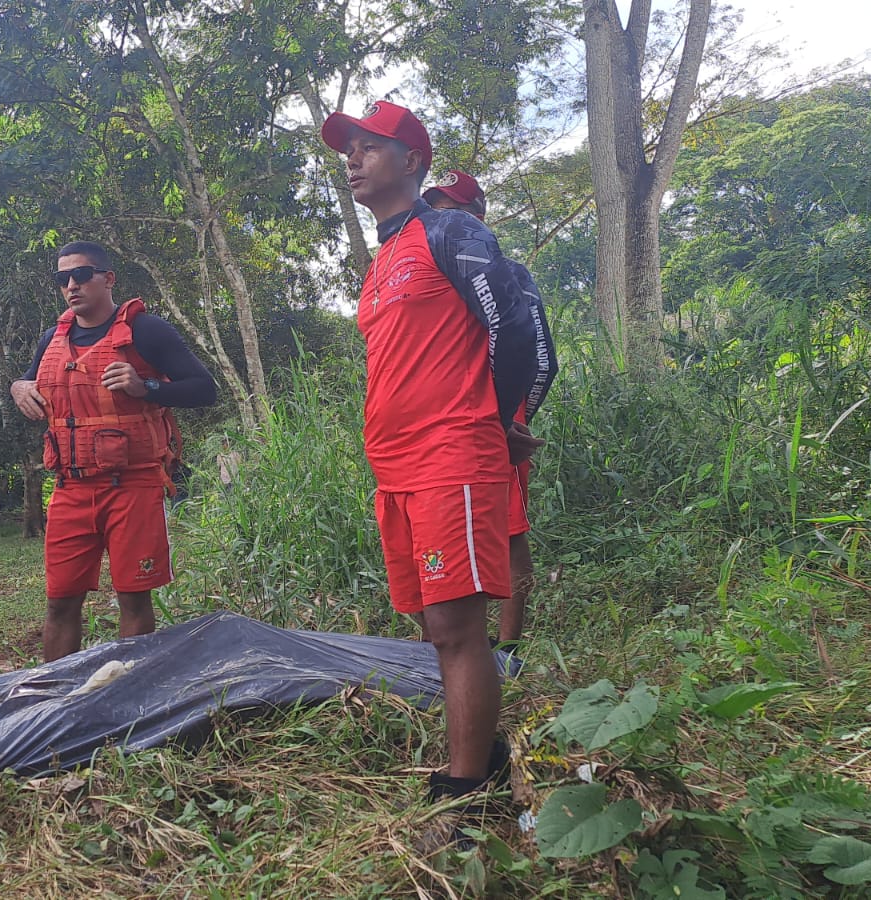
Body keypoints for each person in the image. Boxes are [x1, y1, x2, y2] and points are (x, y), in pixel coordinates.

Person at [321, 101, 540, 827]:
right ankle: (482, 751)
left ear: (410, 160)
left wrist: (500, 422)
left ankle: (467, 791)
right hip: (397, 467)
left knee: (455, 626)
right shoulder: (383, 258)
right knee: (429, 623)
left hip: (453, 454)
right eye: (348, 150)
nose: (352, 159)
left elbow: (514, 329)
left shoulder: (453, 231)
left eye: (369, 147)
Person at [9, 240, 216, 662]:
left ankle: (131, 700)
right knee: (60, 602)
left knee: (133, 599)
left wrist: (148, 387)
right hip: (70, 488)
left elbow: (204, 389)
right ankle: (57, 703)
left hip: (132, 485)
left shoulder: (146, 331)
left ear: (108, 278)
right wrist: (17, 386)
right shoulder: (53, 337)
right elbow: (28, 381)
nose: (71, 285)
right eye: (62, 278)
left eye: (82, 274)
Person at [423, 169, 559, 645]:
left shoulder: (508, 273)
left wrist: (513, 418)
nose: (441, 218)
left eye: (453, 209)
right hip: (448, 426)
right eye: (435, 208)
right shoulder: (430, 268)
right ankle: (451, 648)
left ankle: (510, 644)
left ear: (478, 215)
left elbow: (541, 357)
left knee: (509, 531)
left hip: (493, 419)